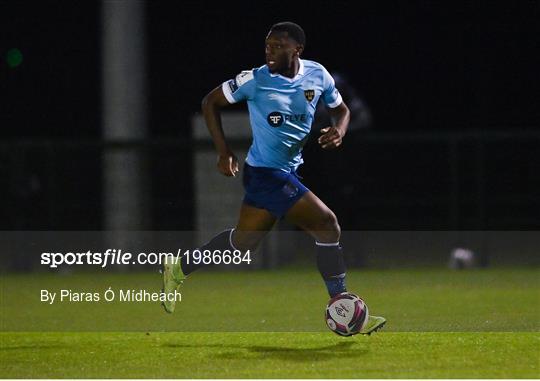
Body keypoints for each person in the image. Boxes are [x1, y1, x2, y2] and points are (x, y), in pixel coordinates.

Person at [162, 22, 386, 334]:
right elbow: (209, 102)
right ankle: (343, 306)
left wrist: (340, 130)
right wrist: (223, 151)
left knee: (242, 243)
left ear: (297, 49)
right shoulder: (254, 79)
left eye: (278, 45)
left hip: (282, 171)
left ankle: (180, 267)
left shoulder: (317, 74)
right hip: (266, 174)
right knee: (327, 224)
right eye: (268, 45)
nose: (270, 50)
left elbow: (342, 110)